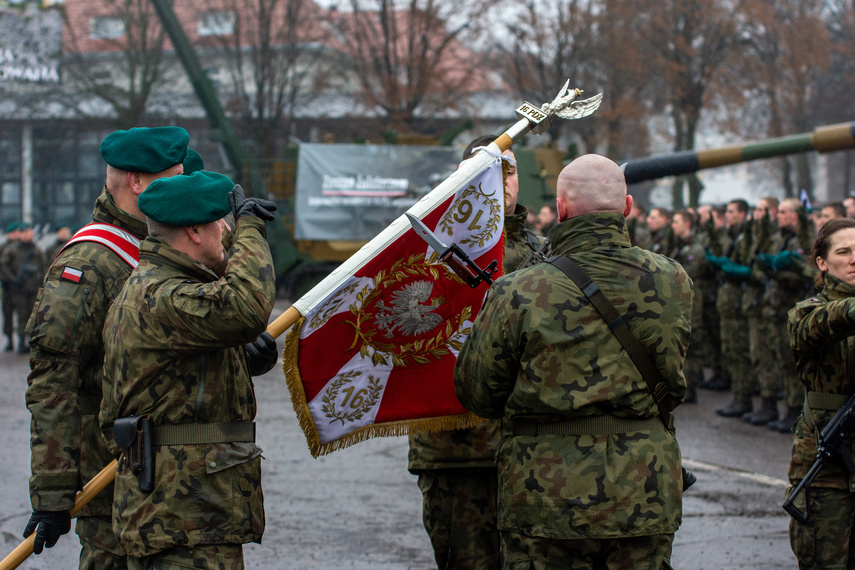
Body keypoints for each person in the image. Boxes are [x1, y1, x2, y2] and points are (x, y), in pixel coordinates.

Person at [455, 154, 692, 569]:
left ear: (561, 209)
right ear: (628, 207)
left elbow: (478, 393)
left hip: (546, 495)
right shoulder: (672, 278)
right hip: (644, 487)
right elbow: (674, 373)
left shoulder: (519, 289)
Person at [24, 126, 189, 566]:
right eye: (173, 176)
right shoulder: (90, 262)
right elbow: (52, 378)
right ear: (137, 181)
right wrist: (53, 489)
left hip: (178, 478)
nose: (183, 184)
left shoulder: (167, 248)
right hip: (112, 479)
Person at [100, 171, 278, 567]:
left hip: (189, 513)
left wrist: (240, 363)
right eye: (220, 222)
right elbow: (247, 306)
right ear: (195, 231)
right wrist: (251, 228)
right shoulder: (160, 294)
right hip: (181, 517)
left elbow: (174, 388)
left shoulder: (160, 288)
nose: (226, 230)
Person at [407, 135, 540, 569]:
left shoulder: (546, 254)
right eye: (489, 170)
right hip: (457, 453)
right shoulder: (429, 250)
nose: (502, 180)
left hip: (529, 452)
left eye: (510, 170)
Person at [786, 217, 855, 567]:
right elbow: (820, 325)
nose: (854, 258)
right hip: (827, 468)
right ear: (823, 263)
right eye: (844, 252)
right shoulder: (807, 313)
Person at [670, 209, 709, 403]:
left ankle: (691, 386)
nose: (672, 225)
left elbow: (687, 273)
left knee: (690, 343)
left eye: (676, 222)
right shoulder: (679, 246)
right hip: (679, 299)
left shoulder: (695, 248)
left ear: (686, 224)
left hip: (691, 299)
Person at [0, 222, 47, 353]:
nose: (27, 235)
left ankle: (30, 341)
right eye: (24, 232)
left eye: (29, 232)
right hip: (17, 288)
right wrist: (12, 279)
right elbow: (3, 265)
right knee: (20, 315)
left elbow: (44, 267)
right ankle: (20, 341)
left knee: (32, 316)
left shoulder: (36, 249)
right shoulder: (12, 249)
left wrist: (40, 281)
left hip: (32, 288)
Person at [1, 221, 20, 351]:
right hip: (8, 286)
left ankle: (22, 340)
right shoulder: (4, 247)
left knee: (22, 313)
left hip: (20, 287)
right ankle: (9, 340)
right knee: (7, 313)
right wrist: (9, 279)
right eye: (14, 232)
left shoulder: (23, 246)